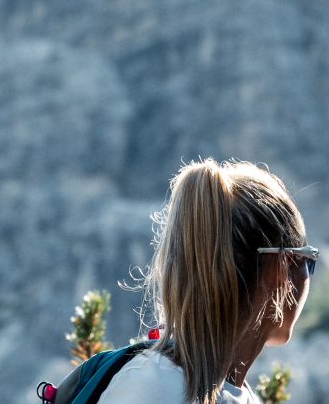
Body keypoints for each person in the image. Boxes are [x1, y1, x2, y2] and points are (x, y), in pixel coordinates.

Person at [104, 159, 317, 404]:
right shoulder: (154, 390)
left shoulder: (154, 383)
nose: (308, 276)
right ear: (280, 267)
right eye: (308, 261)